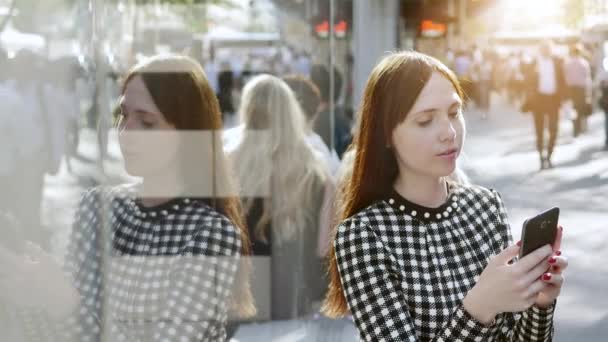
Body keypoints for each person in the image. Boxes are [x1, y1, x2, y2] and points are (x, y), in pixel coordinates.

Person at [0, 55, 255, 341]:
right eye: (122, 114)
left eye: (146, 122)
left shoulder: (209, 232)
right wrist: (25, 295)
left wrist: (64, 303)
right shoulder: (97, 207)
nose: (126, 131)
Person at [322, 51, 567, 341]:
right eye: (426, 120)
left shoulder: (485, 205)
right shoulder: (362, 236)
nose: (449, 132)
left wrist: (540, 303)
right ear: (385, 134)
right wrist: (480, 307)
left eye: (454, 113)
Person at [228, 74, 330, 322]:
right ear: (291, 113)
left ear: (247, 111)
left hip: (238, 306)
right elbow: (323, 250)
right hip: (293, 306)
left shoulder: (227, 165)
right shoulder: (314, 171)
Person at [527, 42, 568, 170]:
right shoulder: (534, 63)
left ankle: (549, 155)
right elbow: (527, 81)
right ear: (540, 51)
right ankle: (541, 157)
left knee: (553, 129)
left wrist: (564, 98)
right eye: (544, 49)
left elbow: (562, 80)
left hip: (553, 100)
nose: (547, 51)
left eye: (549, 49)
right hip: (538, 100)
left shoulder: (557, 62)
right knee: (539, 130)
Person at [564, 44, 592, 137]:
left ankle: (576, 128)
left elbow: (565, 77)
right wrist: (588, 94)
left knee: (574, 109)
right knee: (580, 109)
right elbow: (587, 79)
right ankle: (579, 128)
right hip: (581, 89)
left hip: (571, 90)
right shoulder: (584, 63)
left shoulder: (568, 63)